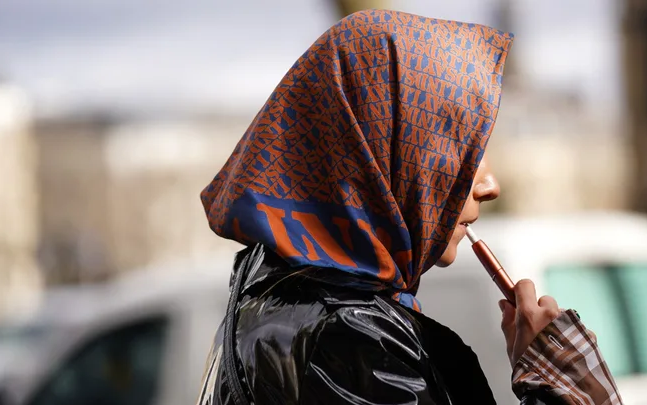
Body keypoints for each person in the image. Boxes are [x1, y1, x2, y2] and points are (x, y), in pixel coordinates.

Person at [196, 9, 622, 405]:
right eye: (462, 152)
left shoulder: (284, 300)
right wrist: (562, 384)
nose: (490, 185)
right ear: (379, 154)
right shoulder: (349, 340)